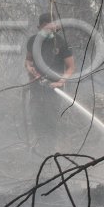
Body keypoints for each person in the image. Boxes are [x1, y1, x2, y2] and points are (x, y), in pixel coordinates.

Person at [25, 12, 75, 143]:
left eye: (50, 27)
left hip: (53, 90)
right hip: (36, 87)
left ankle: (50, 152)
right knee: (36, 118)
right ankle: (38, 149)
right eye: (44, 27)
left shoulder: (61, 43)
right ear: (39, 27)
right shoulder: (32, 41)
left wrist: (61, 82)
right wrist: (30, 68)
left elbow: (70, 67)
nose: (48, 30)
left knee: (51, 121)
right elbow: (28, 61)